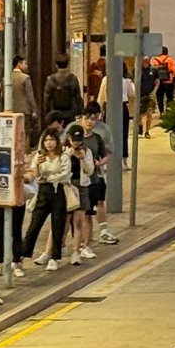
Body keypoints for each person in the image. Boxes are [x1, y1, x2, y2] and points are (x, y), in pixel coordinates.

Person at [21, 129, 74, 272]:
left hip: (58, 191)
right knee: (34, 224)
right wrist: (37, 165)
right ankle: (23, 254)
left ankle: (54, 257)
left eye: (51, 140)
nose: (49, 143)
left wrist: (50, 177)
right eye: (46, 140)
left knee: (58, 225)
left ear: (57, 141)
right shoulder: (39, 156)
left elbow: (65, 174)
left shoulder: (63, 156)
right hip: (43, 192)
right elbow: (36, 175)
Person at [74, 108, 112, 252]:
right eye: (86, 118)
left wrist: (99, 164)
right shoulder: (76, 137)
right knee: (78, 215)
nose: (89, 122)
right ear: (81, 119)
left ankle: (86, 245)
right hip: (77, 179)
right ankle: (77, 244)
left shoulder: (97, 138)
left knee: (89, 213)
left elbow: (106, 155)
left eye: (92, 119)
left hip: (94, 179)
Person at [45, 56, 85, 122]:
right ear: (68, 65)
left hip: (55, 113)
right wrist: (80, 111)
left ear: (56, 65)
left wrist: (48, 112)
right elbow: (78, 97)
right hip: (70, 113)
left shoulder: (51, 80)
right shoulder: (73, 79)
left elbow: (47, 98)